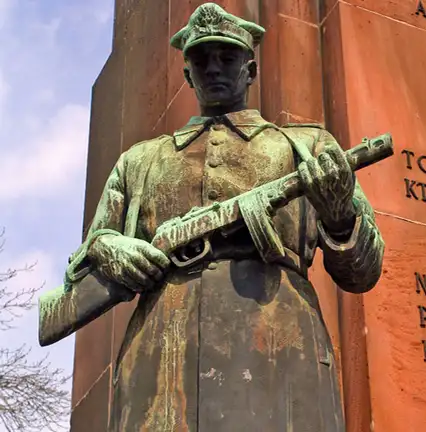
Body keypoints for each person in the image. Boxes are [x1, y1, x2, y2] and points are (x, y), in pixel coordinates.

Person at [62, 3, 384, 431]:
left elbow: (363, 273)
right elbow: (84, 260)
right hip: (162, 359)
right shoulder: (139, 161)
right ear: (187, 74)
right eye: (201, 59)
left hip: (280, 352)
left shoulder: (307, 147)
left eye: (227, 57)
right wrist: (108, 247)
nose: (213, 68)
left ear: (250, 70)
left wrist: (340, 219)